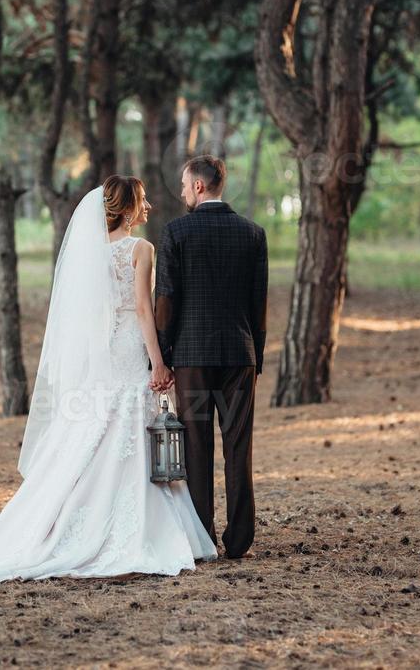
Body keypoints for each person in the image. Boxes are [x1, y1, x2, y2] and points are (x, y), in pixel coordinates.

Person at [0, 176, 217, 583]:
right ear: (126, 209)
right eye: (142, 202)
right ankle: (133, 527)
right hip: (129, 345)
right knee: (127, 420)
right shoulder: (140, 249)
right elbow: (144, 311)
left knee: (96, 426)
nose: (148, 208)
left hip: (102, 351)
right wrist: (159, 363)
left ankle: (64, 518)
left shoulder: (89, 253)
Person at [155, 154, 268, 559]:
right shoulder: (253, 234)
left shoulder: (176, 233)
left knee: (197, 447)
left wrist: (163, 355)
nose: (183, 191)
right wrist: (257, 352)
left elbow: (166, 299)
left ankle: (203, 537)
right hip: (241, 355)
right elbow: (259, 304)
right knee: (239, 447)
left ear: (199, 186)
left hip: (192, 356)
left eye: (185, 185)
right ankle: (239, 541)